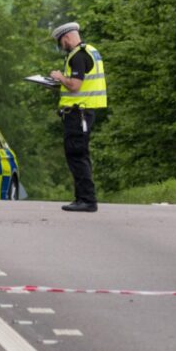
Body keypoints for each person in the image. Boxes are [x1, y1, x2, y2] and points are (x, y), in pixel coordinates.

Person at [48, 21, 106, 212]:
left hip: (78, 113)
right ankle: (83, 198)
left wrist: (59, 78)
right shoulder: (90, 51)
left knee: (77, 154)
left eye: (60, 42)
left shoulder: (78, 56)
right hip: (83, 111)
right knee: (79, 154)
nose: (61, 46)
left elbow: (75, 85)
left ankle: (87, 200)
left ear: (66, 37)